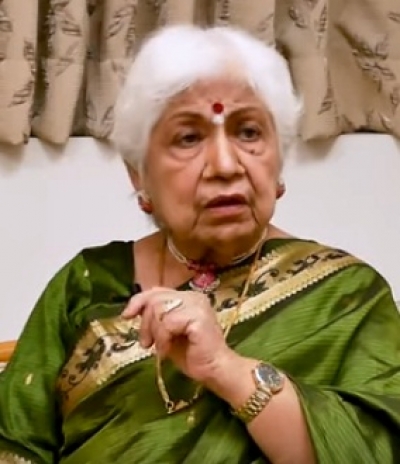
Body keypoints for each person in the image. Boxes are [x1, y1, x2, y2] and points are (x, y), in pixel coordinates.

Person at [0, 24, 399, 464]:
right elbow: (14, 441)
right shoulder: (87, 285)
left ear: (279, 164)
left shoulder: (346, 297)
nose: (225, 165)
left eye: (249, 132)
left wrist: (227, 370)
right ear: (138, 174)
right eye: (188, 138)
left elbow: (375, 451)